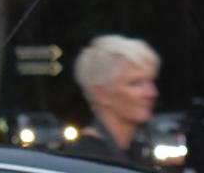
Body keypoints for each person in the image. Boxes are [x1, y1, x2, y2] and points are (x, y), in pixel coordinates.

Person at [68, 34, 159, 166]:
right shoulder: (89, 161)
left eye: (150, 81)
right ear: (102, 94)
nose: (151, 93)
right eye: (135, 83)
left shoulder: (136, 152)